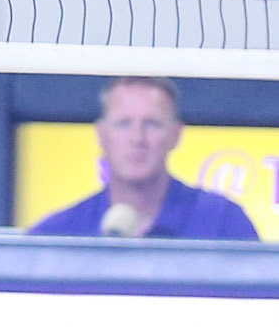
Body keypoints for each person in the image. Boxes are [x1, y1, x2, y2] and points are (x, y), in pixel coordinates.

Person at [29, 78, 260, 241]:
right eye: (123, 124)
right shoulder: (58, 234)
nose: (137, 138)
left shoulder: (223, 223)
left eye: (152, 124)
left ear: (175, 135)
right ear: (101, 135)